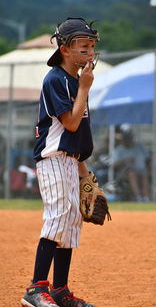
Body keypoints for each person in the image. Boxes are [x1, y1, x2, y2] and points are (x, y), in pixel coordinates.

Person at [21, 17, 100, 307]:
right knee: (57, 217)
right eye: (83, 47)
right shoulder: (56, 79)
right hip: (52, 160)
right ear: (65, 49)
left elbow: (77, 137)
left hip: (69, 161)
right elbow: (70, 123)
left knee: (70, 222)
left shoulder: (77, 81)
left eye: (92, 47)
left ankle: (60, 291)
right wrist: (85, 89)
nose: (89, 53)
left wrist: (83, 171)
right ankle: (35, 288)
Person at [112, 130, 150, 202]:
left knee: (145, 174)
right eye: (126, 139)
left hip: (140, 170)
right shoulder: (119, 150)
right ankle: (138, 197)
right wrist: (125, 160)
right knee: (132, 173)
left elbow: (148, 158)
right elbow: (113, 165)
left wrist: (149, 167)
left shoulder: (139, 146)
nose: (128, 141)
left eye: (129, 139)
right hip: (124, 172)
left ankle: (146, 198)